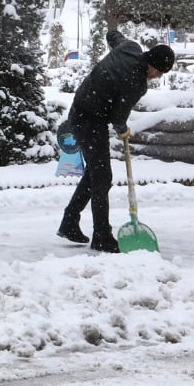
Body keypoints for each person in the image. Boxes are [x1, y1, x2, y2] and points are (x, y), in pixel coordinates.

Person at [57, 38, 176, 252]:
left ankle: (70, 221)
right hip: (91, 121)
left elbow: (113, 35)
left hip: (81, 109)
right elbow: (118, 117)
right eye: (160, 72)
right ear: (153, 66)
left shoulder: (130, 47)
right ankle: (101, 235)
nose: (158, 77)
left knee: (96, 172)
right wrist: (123, 131)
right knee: (102, 177)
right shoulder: (136, 84)